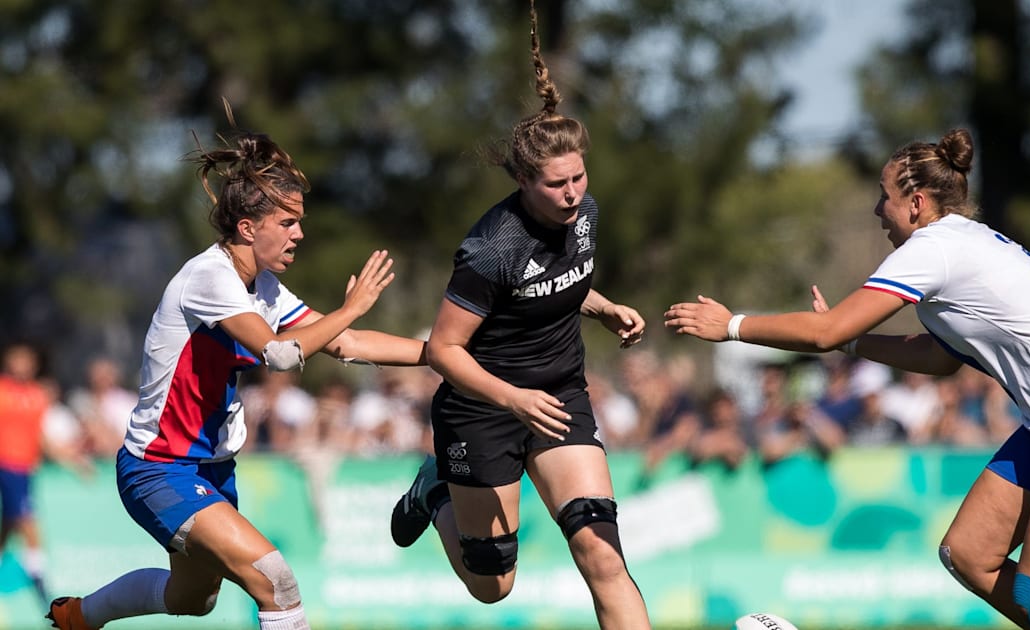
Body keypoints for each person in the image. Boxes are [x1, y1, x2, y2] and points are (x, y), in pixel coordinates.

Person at [665, 128, 1030, 630]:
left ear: (917, 202)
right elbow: (941, 358)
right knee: (967, 553)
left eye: (885, 196)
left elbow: (825, 331)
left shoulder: (932, 249)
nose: (879, 210)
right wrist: (850, 343)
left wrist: (732, 326)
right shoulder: (962, 243)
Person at [46, 108, 428, 630]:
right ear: (248, 228)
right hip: (159, 469)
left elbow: (349, 344)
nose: (298, 234)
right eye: (287, 222)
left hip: (210, 469)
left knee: (193, 600)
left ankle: (79, 618)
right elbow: (281, 354)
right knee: (276, 581)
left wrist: (441, 357)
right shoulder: (210, 277)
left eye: (299, 222)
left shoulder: (263, 287)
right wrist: (349, 308)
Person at [387, 4, 651, 628]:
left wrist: (604, 305)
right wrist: (511, 399)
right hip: (482, 409)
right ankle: (435, 489)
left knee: (600, 551)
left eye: (578, 177)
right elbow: (444, 351)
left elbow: (556, 285)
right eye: (556, 185)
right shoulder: (491, 249)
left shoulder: (584, 214)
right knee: (494, 584)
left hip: (559, 396)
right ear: (523, 182)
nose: (572, 193)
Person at [0, 343, 53, 607]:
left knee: (9, 525)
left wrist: (74, 459)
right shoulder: (2, 391)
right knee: (27, 523)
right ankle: (40, 585)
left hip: (23, 469)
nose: (22, 365)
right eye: (16, 359)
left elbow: (42, 436)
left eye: (26, 360)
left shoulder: (38, 395)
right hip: (5, 465)